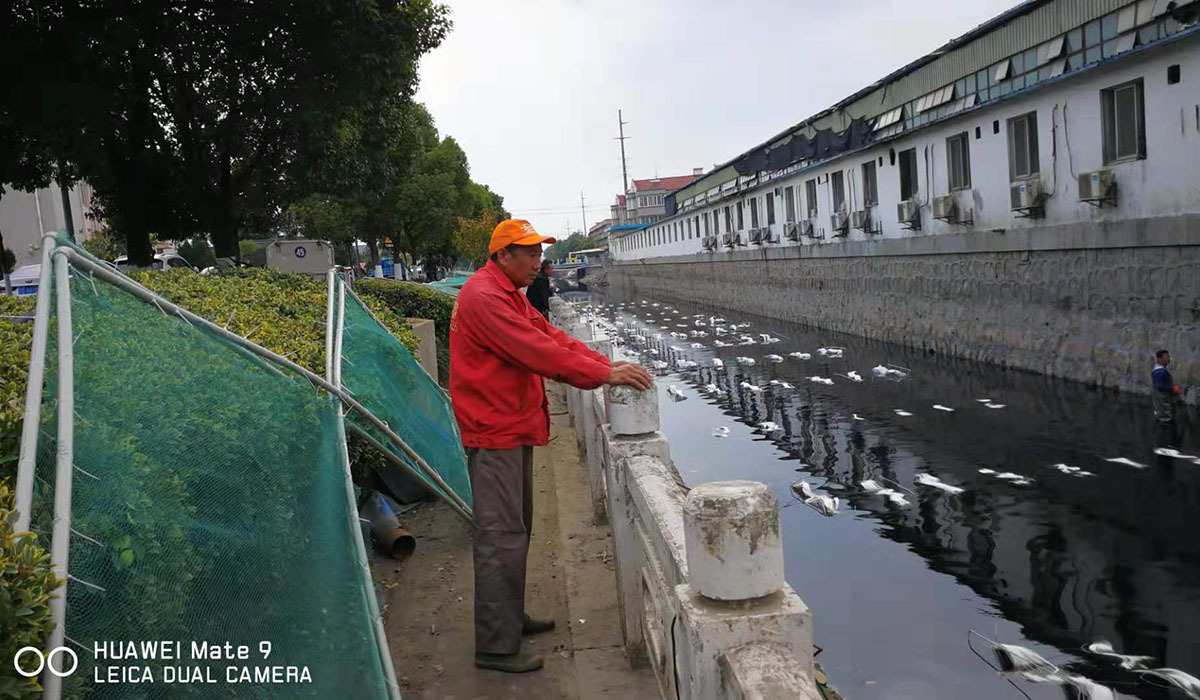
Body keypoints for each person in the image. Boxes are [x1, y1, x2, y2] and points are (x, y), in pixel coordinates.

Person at [449, 219, 653, 673]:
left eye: (540, 252)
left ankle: (508, 617)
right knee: (501, 534)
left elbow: (549, 336)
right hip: (494, 428)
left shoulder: (505, 293)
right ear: (504, 255)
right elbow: (537, 353)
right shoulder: (485, 297)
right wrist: (601, 376)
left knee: (515, 527)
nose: (539, 261)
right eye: (531, 253)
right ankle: (496, 646)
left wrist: (604, 361)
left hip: (509, 424)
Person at [1152, 349, 1183, 444]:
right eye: (1166, 357)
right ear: (1159, 359)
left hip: (1163, 400)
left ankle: (1165, 441)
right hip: (1163, 401)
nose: (1169, 359)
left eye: (1169, 357)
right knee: (1165, 420)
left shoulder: (1160, 370)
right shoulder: (1159, 372)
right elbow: (1160, 386)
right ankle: (1166, 442)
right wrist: (1173, 388)